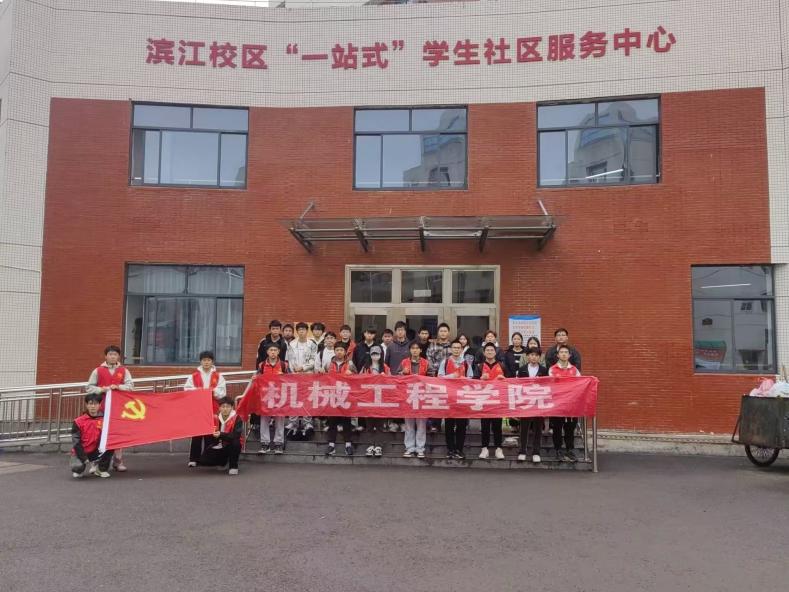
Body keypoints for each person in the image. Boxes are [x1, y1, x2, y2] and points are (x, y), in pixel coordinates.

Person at [86, 345, 133, 472]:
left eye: (115, 354)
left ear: (118, 356)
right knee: (98, 435)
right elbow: (89, 387)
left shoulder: (124, 370)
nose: (113, 357)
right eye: (110, 354)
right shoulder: (98, 370)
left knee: (118, 434)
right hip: (101, 408)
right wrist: (102, 389)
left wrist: (118, 387)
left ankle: (118, 461)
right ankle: (95, 463)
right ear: (106, 356)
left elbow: (130, 386)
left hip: (118, 409)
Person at [184, 351, 228, 467]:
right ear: (200, 361)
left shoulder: (218, 376)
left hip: (212, 408)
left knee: (211, 433)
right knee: (197, 434)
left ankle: (209, 458)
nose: (206, 362)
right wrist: (199, 391)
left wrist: (212, 391)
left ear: (212, 362)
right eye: (204, 360)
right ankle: (194, 459)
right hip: (198, 408)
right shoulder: (193, 376)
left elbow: (222, 392)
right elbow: (187, 389)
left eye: (208, 360)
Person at [438, 340, 473, 459]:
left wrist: (463, 379)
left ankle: (459, 449)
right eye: (454, 347)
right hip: (449, 398)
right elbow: (439, 378)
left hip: (462, 398)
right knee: (449, 425)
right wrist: (452, 376)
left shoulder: (466, 363)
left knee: (461, 425)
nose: (456, 349)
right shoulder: (445, 362)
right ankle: (450, 449)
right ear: (451, 349)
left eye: (459, 348)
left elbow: (471, 378)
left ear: (462, 349)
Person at [549, 344, 581, 462]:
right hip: (557, 404)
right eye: (561, 352)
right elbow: (552, 385)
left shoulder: (575, 370)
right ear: (557, 355)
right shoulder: (552, 369)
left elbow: (579, 385)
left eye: (566, 352)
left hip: (571, 405)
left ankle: (569, 450)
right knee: (557, 428)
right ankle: (558, 449)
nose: (563, 354)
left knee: (570, 428)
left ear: (569, 355)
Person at [515, 347, 548, 463]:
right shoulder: (522, 370)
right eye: (531, 355)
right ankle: (522, 451)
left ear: (539, 357)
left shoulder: (544, 370)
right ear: (527, 356)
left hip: (539, 402)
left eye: (536, 355)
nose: (534, 357)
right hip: (526, 402)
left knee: (538, 428)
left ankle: (536, 452)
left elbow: (548, 386)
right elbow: (517, 385)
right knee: (524, 428)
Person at [286, 322, 318, 439]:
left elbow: (314, 360)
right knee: (294, 399)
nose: (301, 332)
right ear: (297, 331)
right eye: (299, 330)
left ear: (307, 331)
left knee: (307, 399)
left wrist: (303, 368)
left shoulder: (312, 344)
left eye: (303, 329)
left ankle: (307, 422)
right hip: (295, 375)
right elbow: (289, 360)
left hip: (308, 376)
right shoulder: (292, 344)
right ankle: (292, 421)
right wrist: (294, 370)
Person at [70, 393, 113, 478]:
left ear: (99, 405)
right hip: (82, 451)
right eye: (90, 404)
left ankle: (100, 469)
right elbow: (76, 442)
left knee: (111, 445)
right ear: (86, 405)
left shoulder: (105, 420)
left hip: (97, 450)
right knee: (77, 469)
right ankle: (82, 466)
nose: (93, 406)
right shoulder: (78, 421)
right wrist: (83, 458)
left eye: (95, 404)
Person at [476, 343, 507, 460]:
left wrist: (504, 379)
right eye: (487, 350)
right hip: (484, 401)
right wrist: (480, 379)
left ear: (495, 352)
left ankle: (499, 448)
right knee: (484, 426)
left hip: (497, 401)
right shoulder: (479, 366)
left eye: (492, 350)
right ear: (484, 353)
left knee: (497, 426)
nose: (489, 352)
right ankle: (484, 448)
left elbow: (510, 381)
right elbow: (472, 383)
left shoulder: (502, 366)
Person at [256, 344, 289, 454]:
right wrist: (256, 378)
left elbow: (291, 379)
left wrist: (283, 376)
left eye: (275, 350)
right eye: (271, 350)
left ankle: (278, 444)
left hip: (280, 396)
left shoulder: (284, 365)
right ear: (267, 352)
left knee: (279, 420)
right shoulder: (262, 365)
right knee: (264, 420)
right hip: (265, 396)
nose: (273, 352)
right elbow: (258, 378)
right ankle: (264, 444)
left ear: (279, 351)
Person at [325, 342, 356, 457]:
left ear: (345, 352)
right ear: (334, 351)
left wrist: (352, 374)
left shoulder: (350, 364)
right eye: (337, 350)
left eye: (341, 350)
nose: (339, 352)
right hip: (332, 396)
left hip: (346, 396)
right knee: (332, 421)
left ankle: (348, 444)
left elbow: (358, 378)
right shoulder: (328, 363)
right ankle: (331, 445)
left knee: (346, 421)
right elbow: (322, 377)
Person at [197, 397, 243, 475]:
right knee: (203, 461)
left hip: (231, 444)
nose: (225, 409)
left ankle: (233, 466)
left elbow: (236, 435)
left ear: (232, 407)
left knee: (236, 442)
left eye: (227, 407)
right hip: (219, 443)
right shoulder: (216, 417)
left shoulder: (237, 418)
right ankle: (222, 462)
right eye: (223, 407)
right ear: (219, 408)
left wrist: (221, 435)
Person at [399, 341, 429, 459]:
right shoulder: (404, 362)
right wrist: (403, 373)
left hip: (422, 397)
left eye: (417, 348)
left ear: (421, 350)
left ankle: (420, 448)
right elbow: (396, 378)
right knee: (409, 424)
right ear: (410, 350)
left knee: (421, 424)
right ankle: (409, 448)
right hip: (408, 397)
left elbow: (432, 378)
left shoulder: (426, 363)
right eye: (413, 348)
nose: (415, 350)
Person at [359, 345, 389, 458]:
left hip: (381, 399)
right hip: (368, 398)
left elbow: (392, 381)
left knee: (380, 424)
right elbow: (359, 380)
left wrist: (385, 377)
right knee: (369, 424)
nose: (375, 356)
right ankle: (370, 445)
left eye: (377, 354)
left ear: (381, 355)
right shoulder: (366, 367)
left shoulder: (385, 367)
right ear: (370, 355)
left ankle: (379, 446)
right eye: (373, 354)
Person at [384, 321, 412, 433]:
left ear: (405, 331)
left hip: (407, 379)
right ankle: (394, 423)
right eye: (398, 330)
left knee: (405, 401)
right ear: (395, 332)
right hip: (393, 379)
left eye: (402, 330)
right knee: (394, 401)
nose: (400, 332)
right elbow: (386, 363)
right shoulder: (391, 346)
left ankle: (404, 422)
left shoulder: (410, 345)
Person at [426, 322, 453, 432]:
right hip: (435, 377)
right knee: (436, 401)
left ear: (448, 333)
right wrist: (435, 374)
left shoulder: (453, 346)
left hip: (450, 378)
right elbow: (429, 360)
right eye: (441, 331)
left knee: (449, 400)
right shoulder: (432, 346)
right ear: (438, 332)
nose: (443, 333)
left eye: (445, 331)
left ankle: (449, 425)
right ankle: (435, 425)